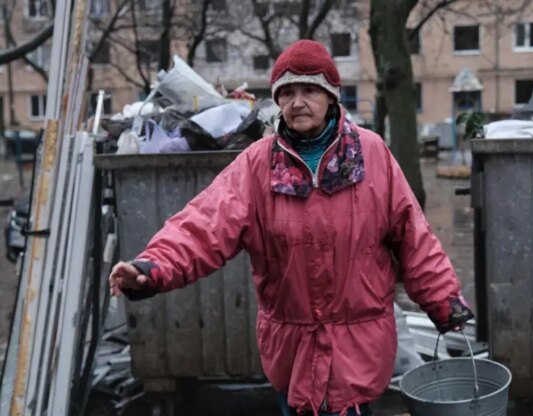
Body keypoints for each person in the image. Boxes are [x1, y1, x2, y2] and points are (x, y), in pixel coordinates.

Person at [109, 39, 473, 416]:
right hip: (291, 348)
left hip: (359, 345)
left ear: (331, 96)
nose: (298, 102)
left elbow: (415, 239)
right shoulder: (257, 165)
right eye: (288, 92)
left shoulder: (372, 154)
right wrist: (151, 269)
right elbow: (202, 226)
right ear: (278, 100)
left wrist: (446, 305)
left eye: (310, 90)